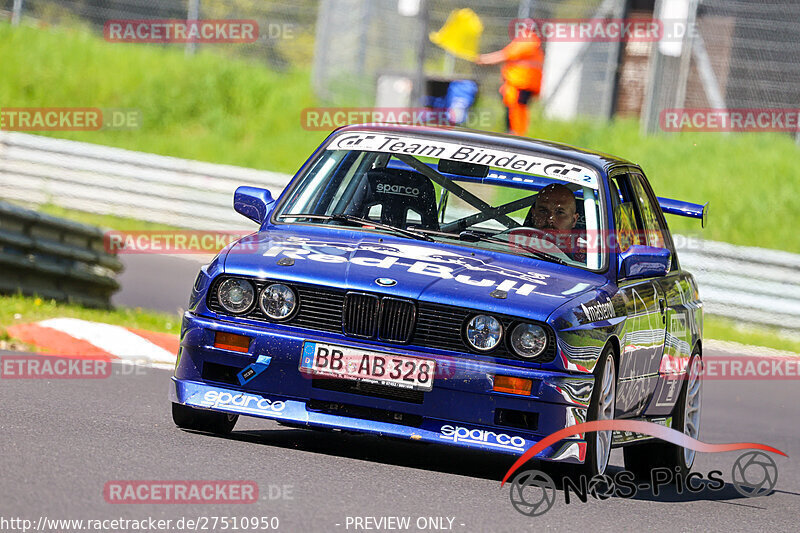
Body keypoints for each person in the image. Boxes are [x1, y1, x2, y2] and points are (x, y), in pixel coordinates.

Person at [476, 33, 544, 136]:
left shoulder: (528, 41)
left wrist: (484, 59)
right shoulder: (530, 42)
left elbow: (505, 55)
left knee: (517, 110)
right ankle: (515, 133)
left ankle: (517, 135)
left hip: (521, 83)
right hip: (520, 83)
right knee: (514, 110)